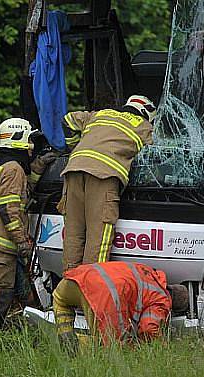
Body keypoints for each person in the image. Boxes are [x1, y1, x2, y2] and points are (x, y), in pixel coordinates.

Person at [0, 118, 57, 343]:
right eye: (29, 140)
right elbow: (10, 209)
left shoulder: (7, 165)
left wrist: (38, 168)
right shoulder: (12, 168)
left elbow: (23, 192)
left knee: (4, 294)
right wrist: (21, 241)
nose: (31, 146)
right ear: (18, 140)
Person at [59, 95, 156, 271]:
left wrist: (74, 147)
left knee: (73, 234)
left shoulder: (100, 114)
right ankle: (91, 287)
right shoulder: (143, 126)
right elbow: (158, 157)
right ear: (146, 113)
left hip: (73, 169)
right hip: (103, 176)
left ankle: (69, 285)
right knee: (98, 238)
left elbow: (68, 121)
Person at [52, 261, 188, 345]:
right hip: (100, 293)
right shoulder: (162, 299)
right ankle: (76, 345)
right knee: (110, 348)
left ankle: (65, 336)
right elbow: (148, 329)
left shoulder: (148, 272)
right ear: (173, 306)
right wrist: (161, 345)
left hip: (74, 278)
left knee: (60, 301)